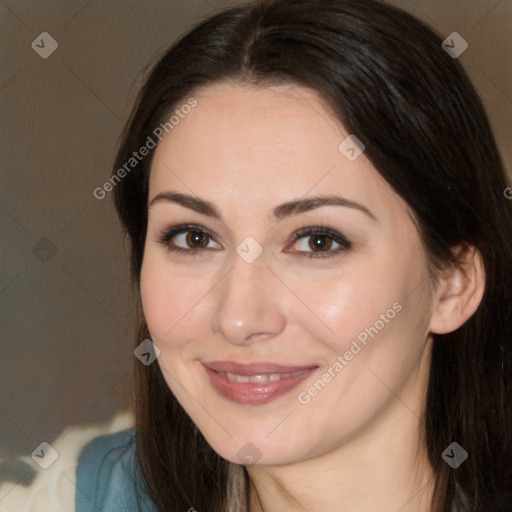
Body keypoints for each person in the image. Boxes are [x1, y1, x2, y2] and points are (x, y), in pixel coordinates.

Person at [75, 0, 512, 510]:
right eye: (195, 238)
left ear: (452, 283)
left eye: (317, 241)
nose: (238, 318)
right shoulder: (71, 493)